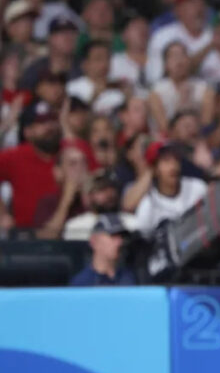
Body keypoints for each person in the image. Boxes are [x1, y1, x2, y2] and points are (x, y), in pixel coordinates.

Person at [0, 101, 61, 229]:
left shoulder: (71, 153)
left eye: (52, 121)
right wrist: (2, 214)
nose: (49, 127)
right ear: (27, 132)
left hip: (69, 235)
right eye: (41, 123)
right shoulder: (16, 156)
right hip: (26, 238)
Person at [133, 141, 208, 235]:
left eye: (176, 159)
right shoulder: (147, 207)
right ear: (155, 169)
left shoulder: (197, 187)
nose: (173, 166)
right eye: (166, 160)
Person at [69, 214, 138, 286]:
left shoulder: (130, 278)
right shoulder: (82, 284)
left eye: (122, 237)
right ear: (94, 241)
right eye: (113, 236)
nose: (120, 242)